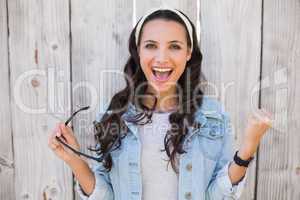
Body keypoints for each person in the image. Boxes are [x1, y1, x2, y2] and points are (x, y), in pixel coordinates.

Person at [48, 6, 272, 200]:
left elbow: (217, 195)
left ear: (188, 52)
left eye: (174, 46)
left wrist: (249, 145)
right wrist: (74, 159)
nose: (162, 58)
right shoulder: (113, 115)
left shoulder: (213, 115)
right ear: (138, 51)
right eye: (151, 45)